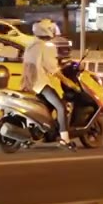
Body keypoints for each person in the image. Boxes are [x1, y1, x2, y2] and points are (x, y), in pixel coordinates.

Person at [23, 19, 74, 149]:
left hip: (29, 83)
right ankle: (65, 139)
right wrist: (66, 80)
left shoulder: (31, 44)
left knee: (45, 109)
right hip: (41, 83)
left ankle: (37, 135)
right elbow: (52, 68)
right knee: (61, 107)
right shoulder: (45, 46)